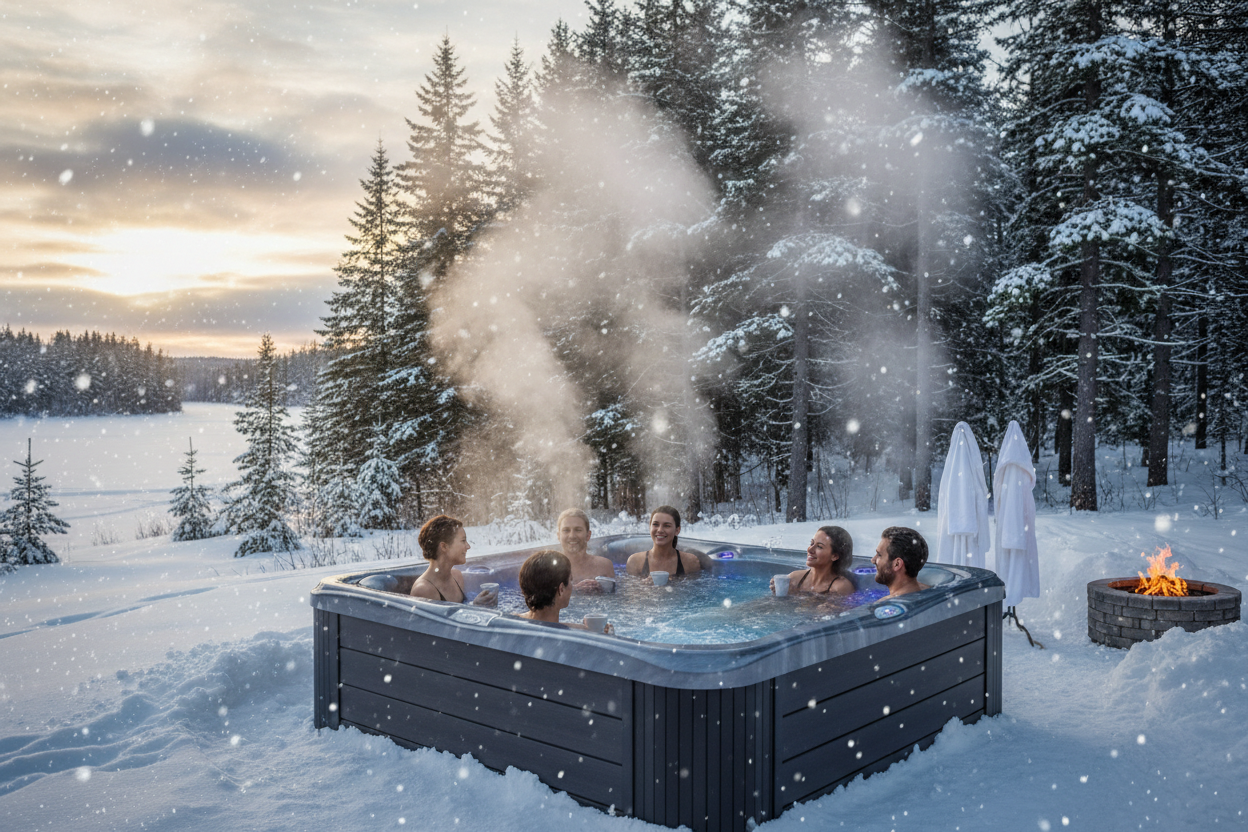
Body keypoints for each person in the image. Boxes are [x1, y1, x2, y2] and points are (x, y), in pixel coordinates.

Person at [409, 515, 498, 606]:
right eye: (463, 541)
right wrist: (474, 606)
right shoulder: (424, 590)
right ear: (444, 547)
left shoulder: (457, 577)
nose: (468, 546)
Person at [518, 549, 613, 633]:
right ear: (561, 589)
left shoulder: (509, 620)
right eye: (571, 580)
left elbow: (545, 624)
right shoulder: (570, 638)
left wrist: (585, 629)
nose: (573, 586)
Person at [771, 526, 855, 596]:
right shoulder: (795, 578)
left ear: (835, 556)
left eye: (819, 547)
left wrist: (794, 594)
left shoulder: (841, 587)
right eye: (811, 543)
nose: (810, 549)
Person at [625, 505, 702, 579]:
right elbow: (632, 591)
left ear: (677, 530)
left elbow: (694, 590)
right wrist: (646, 588)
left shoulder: (690, 562)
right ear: (650, 527)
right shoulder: (635, 561)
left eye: (667, 526)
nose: (660, 530)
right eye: (655, 524)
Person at [555, 508, 615, 592]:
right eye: (566, 530)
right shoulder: (549, 569)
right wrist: (576, 589)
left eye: (578, 530)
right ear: (558, 536)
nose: (572, 535)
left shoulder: (604, 566)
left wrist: (601, 590)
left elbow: (613, 598)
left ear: (588, 535)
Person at [872, 526, 930, 598]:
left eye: (879, 555)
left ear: (897, 564)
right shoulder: (929, 591)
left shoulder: (886, 604)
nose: (873, 560)